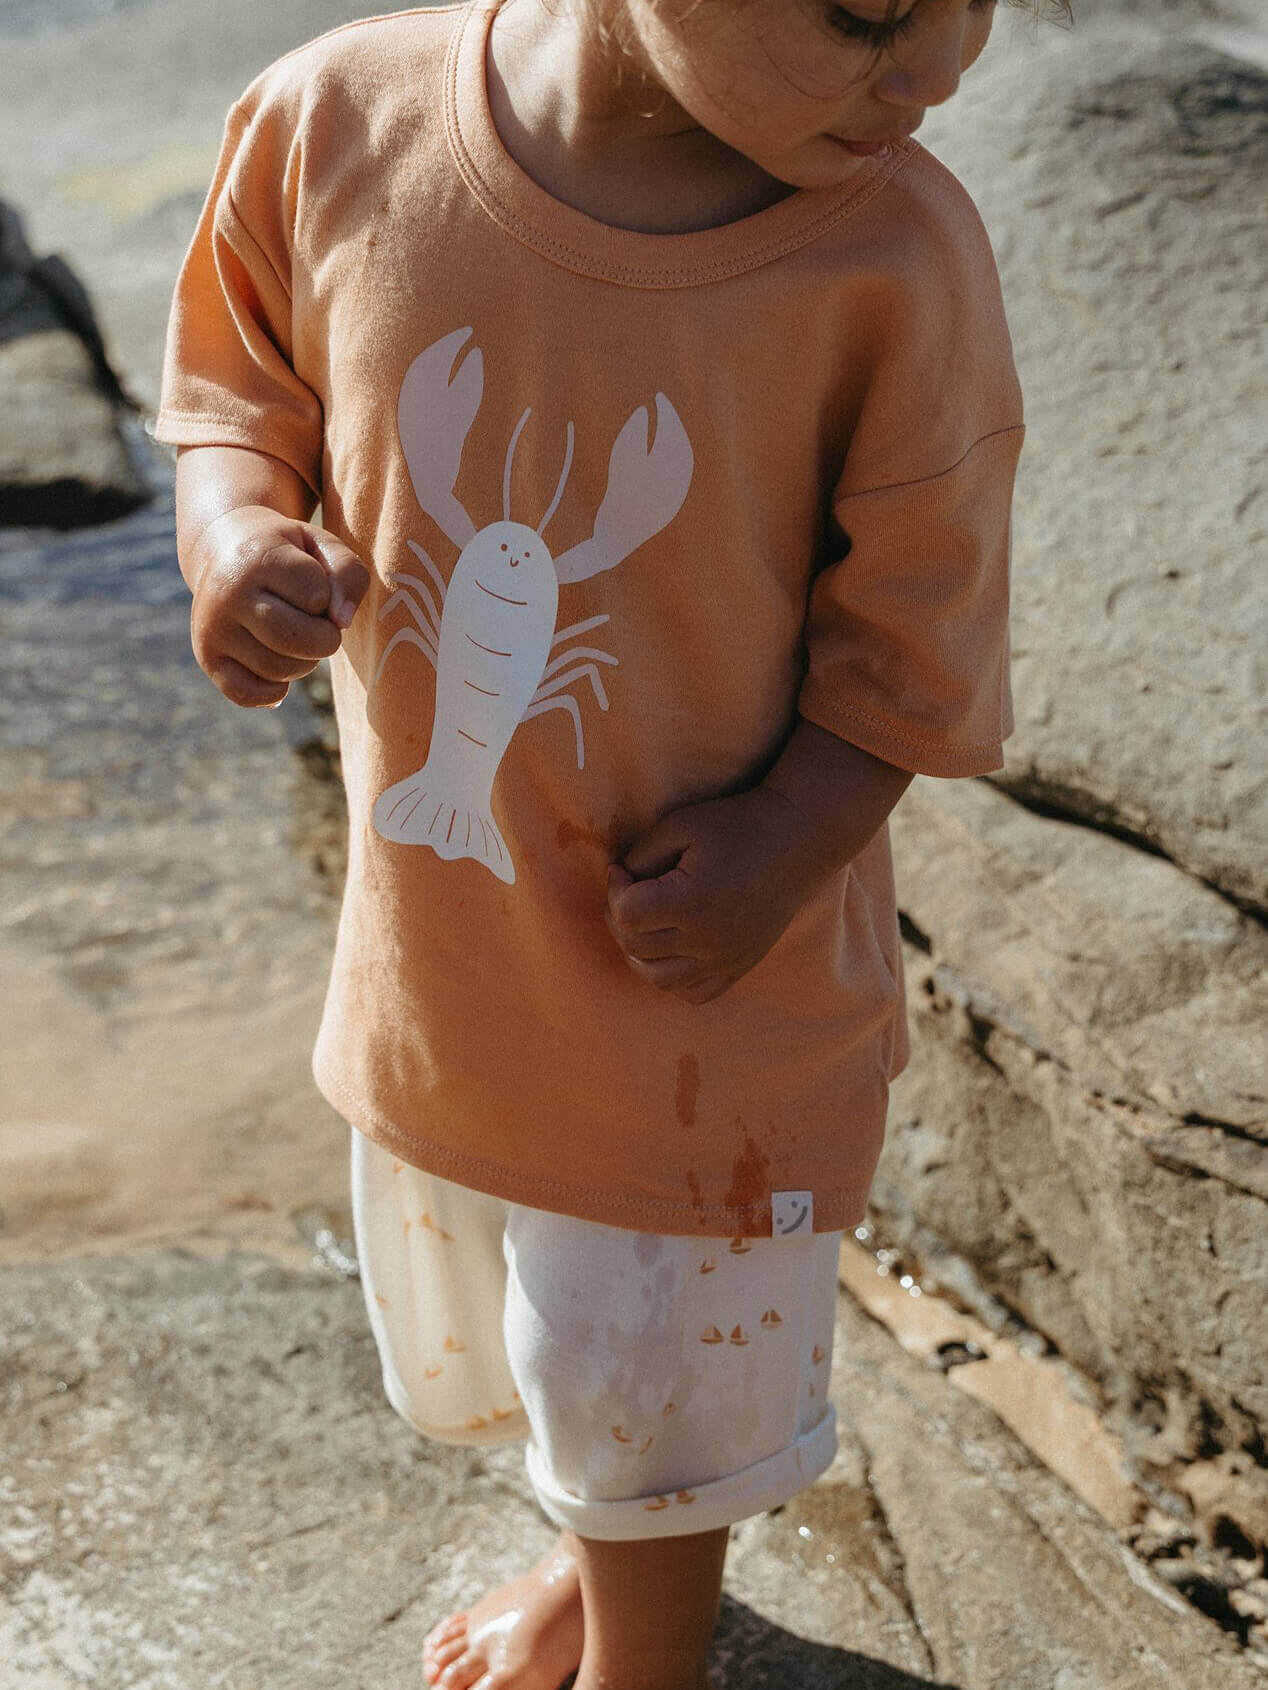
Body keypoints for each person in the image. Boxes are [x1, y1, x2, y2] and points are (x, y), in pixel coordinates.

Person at [153, 1, 1042, 1685]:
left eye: (975, 1)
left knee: (648, 1369)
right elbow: (238, 379)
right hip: (458, 947)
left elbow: (920, 637)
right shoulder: (335, 120)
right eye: (863, 11)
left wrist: (793, 833)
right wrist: (233, 534)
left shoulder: (896, 255)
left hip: (710, 981)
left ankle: (645, 1653)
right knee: (546, 1334)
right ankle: (605, 1562)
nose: (932, 72)